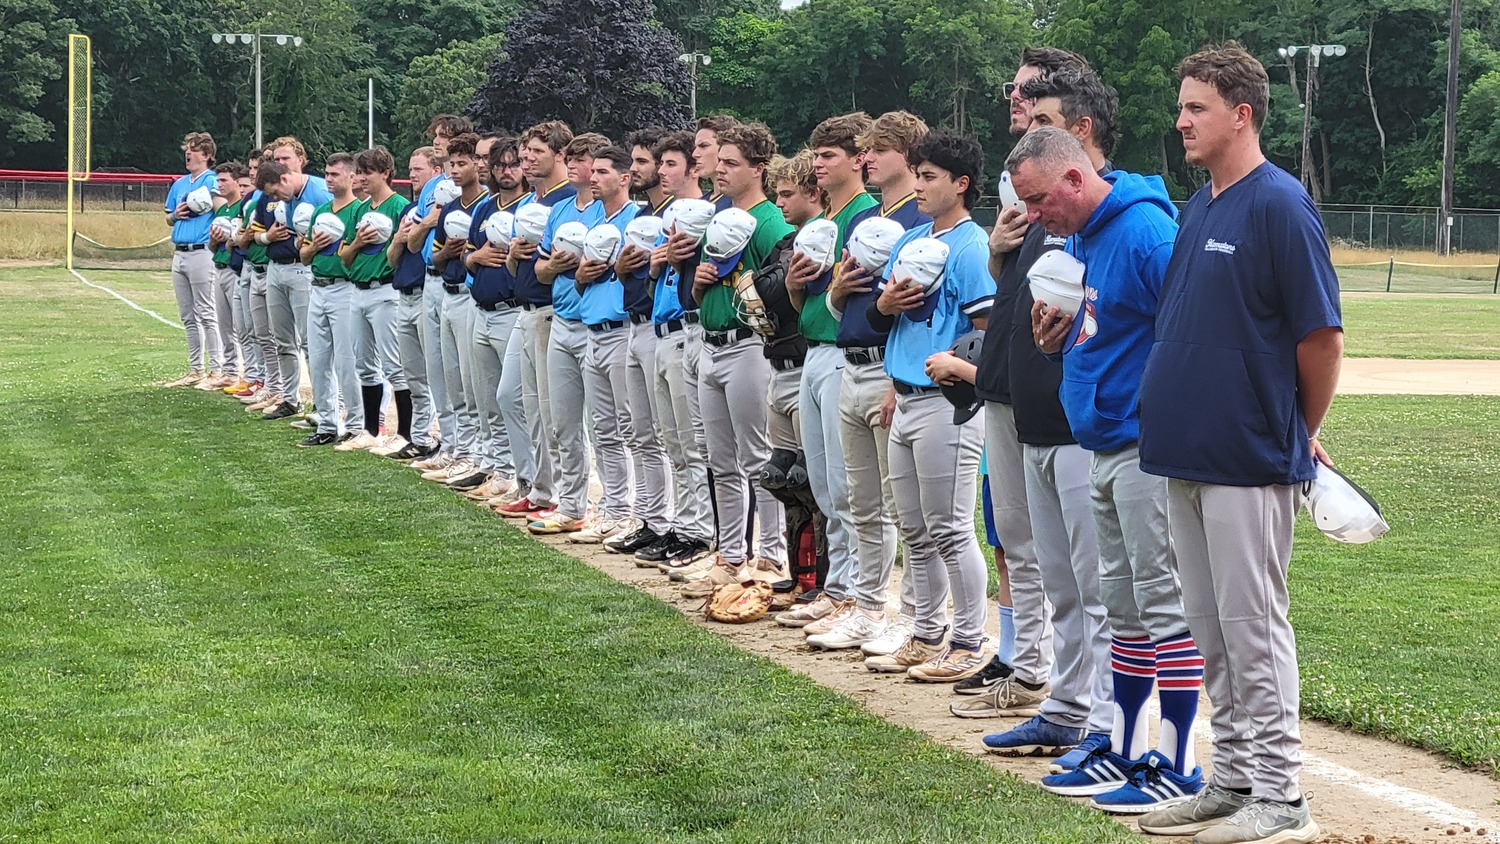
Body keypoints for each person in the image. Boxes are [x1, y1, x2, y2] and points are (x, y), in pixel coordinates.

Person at [1135, 43, 1342, 844]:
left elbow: (1320, 339)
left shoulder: (1280, 204)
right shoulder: (1200, 206)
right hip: (1185, 449)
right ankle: (1233, 779)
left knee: (1254, 627)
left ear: (1241, 114)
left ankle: (1282, 797)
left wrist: (1302, 429)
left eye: (1196, 108)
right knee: (1210, 628)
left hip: (1249, 455)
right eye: (1182, 106)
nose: (1181, 120)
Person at [1011, 120, 1206, 812]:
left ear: (1072, 176)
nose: (1034, 218)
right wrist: (1054, 340)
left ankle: (1179, 763)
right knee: (1124, 611)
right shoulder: (1084, 237)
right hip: (1101, 441)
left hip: (1145, 447)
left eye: (1038, 202)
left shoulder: (1146, 232)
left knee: (1163, 606)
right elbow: (1109, 332)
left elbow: (1190, 331)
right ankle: (1125, 751)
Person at [861, 132, 994, 683]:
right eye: (917, 173)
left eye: (930, 176)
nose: (918, 184)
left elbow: (986, 332)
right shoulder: (910, 238)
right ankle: (925, 630)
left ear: (960, 185)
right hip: (909, 396)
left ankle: (969, 639)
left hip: (950, 403)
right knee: (913, 525)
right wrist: (883, 305)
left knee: (950, 527)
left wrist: (961, 376)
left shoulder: (970, 246)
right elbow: (885, 321)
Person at [808, 110, 932, 653]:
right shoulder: (866, 222)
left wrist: (896, 380)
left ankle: (911, 615)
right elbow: (841, 301)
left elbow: (918, 314)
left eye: (879, 149)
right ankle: (865, 605)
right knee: (860, 500)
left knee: (899, 503)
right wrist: (836, 293)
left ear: (906, 155)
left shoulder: (917, 221)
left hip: (887, 367)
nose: (868, 159)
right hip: (849, 361)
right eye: (865, 150)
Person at [681, 122, 795, 597]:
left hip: (749, 347)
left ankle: (769, 555)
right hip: (710, 341)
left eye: (731, 163)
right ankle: (730, 555)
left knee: (758, 459)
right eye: (719, 161)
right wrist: (700, 281)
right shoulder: (715, 214)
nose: (720, 170)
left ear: (758, 169)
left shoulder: (770, 222)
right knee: (720, 460)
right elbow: (694, 291)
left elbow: (782, 291)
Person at [780, 112, 879, 631]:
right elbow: (806, 303)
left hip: (846, 355)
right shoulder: (823, 222)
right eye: (816, 155)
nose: (818, 164)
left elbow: (852, 296)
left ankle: (856, 592)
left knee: (847, 484)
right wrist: (797, 288)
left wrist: (827, 291)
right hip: (814, 349)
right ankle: (836, 584)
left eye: (829, 155)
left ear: (858, 159)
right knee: (823, 481)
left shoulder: (866, 216)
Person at [633, 130, 715, 566]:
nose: (662, 173)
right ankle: (682, 527)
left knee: (693, 442)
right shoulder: (670, 219)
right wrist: (655, 264)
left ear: (692, 170)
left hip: (690, 330)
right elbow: (655, 283)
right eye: (660, 164)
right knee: (674, 443)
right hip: (661, 330)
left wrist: (682, 256)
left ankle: (700, 532)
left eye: (671, 164)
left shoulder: (704, 216)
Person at [527, 132, 613, 535]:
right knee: (561, 421)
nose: (584, 169)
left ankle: (613, 508)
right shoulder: (560, 210)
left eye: (590, 162)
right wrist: (561, 266)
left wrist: (580, 269)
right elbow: (540, 270)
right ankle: (572, 504)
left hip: (594, 325)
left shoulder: (606, 214)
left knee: (604, 425)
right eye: (577, 160)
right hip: (560, 319)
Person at [496, 120, 577, 520]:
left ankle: (558, 493)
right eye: (525, 152)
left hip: (550, 312)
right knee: (513, 398)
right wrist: (512, 255)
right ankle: (538, 485)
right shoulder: (531, 202)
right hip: (523, 309)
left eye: (537, 153)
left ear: (560, 155)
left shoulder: (565, 201)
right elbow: (518, 269)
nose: (527, 160)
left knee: (550, 410)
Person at [461, 136, 530, 503]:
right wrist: (477, 258)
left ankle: (526, 477)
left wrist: (504, 259)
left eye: (513, 164)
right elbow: (469, 257)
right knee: (487, 397)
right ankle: (500, 469)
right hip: (481, 309)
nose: (506, 171)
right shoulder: (485, 208)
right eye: (500, 164)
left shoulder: (529, 208)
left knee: (513, 398)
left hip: (512, 309)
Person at [422, 132, 489, 486]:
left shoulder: (485, 204)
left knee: (469, 380)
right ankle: (455, 447)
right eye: (453, 164)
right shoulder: (449, 208)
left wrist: (461, 254)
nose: (457, 170)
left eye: (464, 163)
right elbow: (433, 256)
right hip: (446, 290)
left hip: (468, 293)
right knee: (450, 376)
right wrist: (448, 251)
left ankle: (477, 454)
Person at [337, 146, 412, 452]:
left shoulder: (399, 207)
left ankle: (405, 432)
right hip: (357, 290)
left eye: (368, 172)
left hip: (385, 290)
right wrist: (357, 241)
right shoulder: (359, 209)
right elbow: (344, 256)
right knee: (365, 364)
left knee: (395, 365)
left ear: (385, 173)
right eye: (360, 172)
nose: (362, 178)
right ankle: (371, 428)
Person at [257, 138, 332, 421]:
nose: (276, 196)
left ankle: (326, 405)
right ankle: (291, 398)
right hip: (280, 267)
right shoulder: (290, 197)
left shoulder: (318, 191)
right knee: (282, 339)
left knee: (311, 341)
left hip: (305, 271)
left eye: (276, 189)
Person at [293, 152, 363, 447]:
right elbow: (304, 255)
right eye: (327, 174)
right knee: (319, 358)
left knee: (348, 361)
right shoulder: (322, 210)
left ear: (350, 176)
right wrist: (315, 245)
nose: (329, 179)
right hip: (318, 287)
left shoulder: (358, 211)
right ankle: (327, 422)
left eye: (335, 174)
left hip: (344, 288)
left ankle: (357, 424)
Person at [385, 146, 445, 461]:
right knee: (413, 374)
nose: (412, 174)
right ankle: (419, 438)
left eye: (418, 169)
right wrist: (399, 237)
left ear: (437, 172)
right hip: (403, 294)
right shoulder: (410, 210)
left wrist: (423, 226)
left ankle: (437, 439)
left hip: (426, 292)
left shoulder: (443, 209)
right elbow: (394, 258)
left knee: (434, 372)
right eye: (410, 168)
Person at [162, 131, 225, 388]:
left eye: (194, 149)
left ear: (207, 155)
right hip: (180, 251)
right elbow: (167, 217)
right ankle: (195, 368)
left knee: (207, 312)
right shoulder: (179, 184)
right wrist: (175, 215)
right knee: (188, 315)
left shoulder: (211, 181)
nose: (188, 153)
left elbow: (222, 208)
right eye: (187, 149)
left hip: (202, 252)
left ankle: (218, 370)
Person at [206, 160, 249, 392]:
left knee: (240, 325)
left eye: (224, 180)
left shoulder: (242, 207)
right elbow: (213, 247)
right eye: (218, 180)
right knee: (224, 324)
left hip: (234, 271)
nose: (220, 185)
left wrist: (230, 240)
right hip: (219, 268)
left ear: (236, 181)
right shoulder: (221, 210)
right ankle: (230, 370)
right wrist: (214, 240)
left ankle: (247, 373)